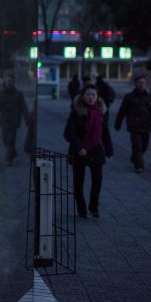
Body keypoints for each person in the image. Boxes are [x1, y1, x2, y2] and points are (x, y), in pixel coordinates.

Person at [64, 84, 113, 218]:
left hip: (96, 149)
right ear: (83, 96)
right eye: (88, 94)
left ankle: (93, 206)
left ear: (97, 97)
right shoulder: (76, 111)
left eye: (93, 95)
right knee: (78, 181)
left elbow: (105, 131)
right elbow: (69, 133)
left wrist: (109, 148)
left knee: (97, 179)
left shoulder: (102, 111)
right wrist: (79, 147)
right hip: (79, 150)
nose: (91, 97)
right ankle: (81, 209)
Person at [114, 75, 151, 173]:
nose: (141, 85)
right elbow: (122, 111)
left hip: (146, 125)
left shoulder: (150, 97)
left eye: (143, 83)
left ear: (146, 84)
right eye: (139, 83)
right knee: (137, 145)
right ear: (136, 84)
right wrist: (118, 124)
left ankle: (135, 157)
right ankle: (139, 166)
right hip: (134, 126)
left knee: (144, 145)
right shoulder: (129, 97)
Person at [0, 75, 31, 166]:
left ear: (13, 82)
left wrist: (28, 120)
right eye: (7, 81)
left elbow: (24, 108)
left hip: (14, 121)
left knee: (10, 140)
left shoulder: (18, 94)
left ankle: (8, 159)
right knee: (5, 139)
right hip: (4, 121)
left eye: (10, 81)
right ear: (5, 82)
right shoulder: (1, 94)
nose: (9, 82)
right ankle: (13, 152)